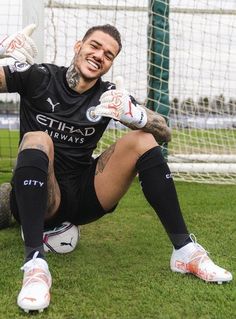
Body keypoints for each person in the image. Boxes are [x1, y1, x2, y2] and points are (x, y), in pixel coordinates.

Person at [0, 23, 232, 313]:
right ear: (78, 46)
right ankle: (35, 264)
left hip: (84, 196)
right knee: (37, 139)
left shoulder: (109, 95)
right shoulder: (39, 76)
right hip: (44, 193)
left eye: (109, 54)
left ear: (111, 63)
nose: (99, 55)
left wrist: (136, 116)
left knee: (142, 139)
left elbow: (164, 133)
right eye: (94, 46)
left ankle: (185, 250)